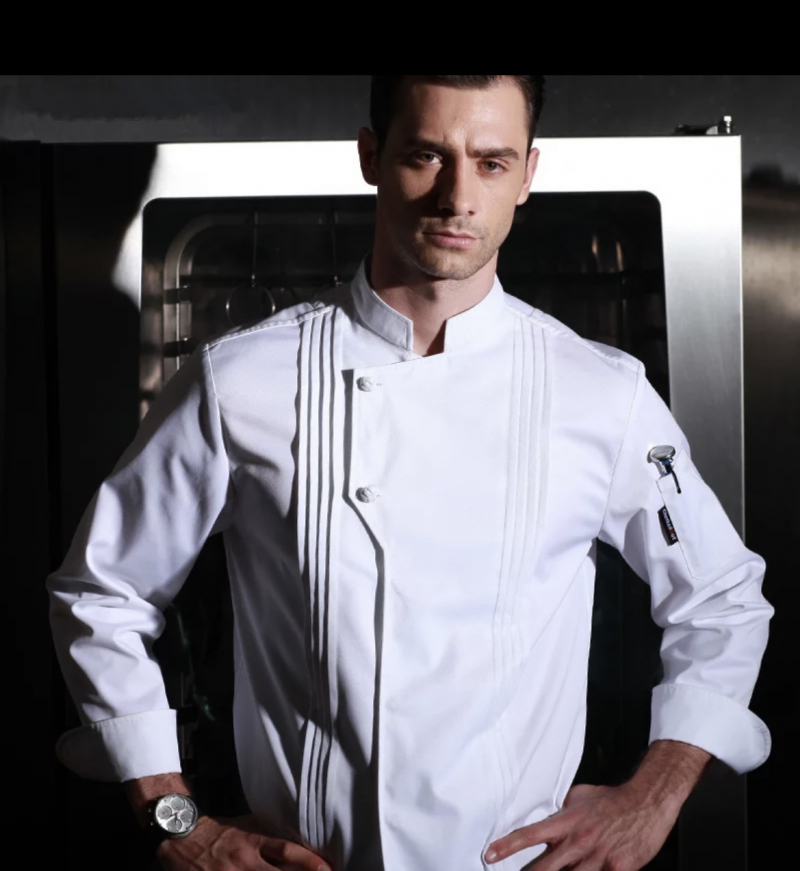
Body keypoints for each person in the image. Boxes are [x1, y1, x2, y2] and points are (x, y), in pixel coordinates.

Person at [48, 75, 772, 871]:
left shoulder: (602, 393)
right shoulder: (242, 381)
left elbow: (722, 599)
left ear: (528, 174)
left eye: (491, 162)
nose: (457, 197)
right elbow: (102, 593)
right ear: (371, 156)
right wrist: (179, 822)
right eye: (427, 155)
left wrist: (654, 797)